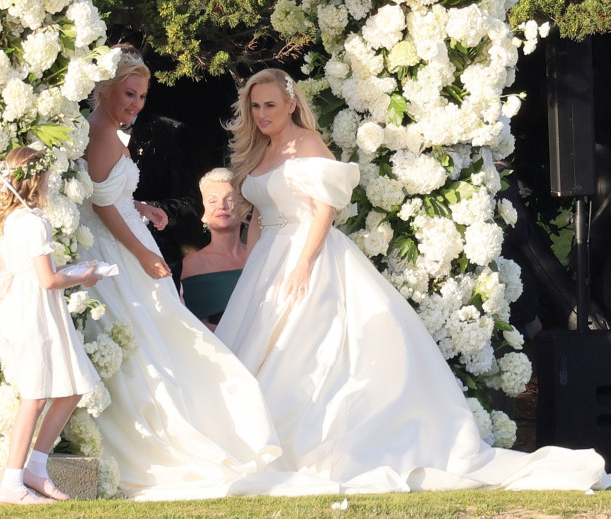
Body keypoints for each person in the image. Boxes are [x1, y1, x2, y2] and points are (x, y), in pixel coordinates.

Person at [214, 68, 610, 493]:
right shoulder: (259, 155)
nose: (261, 114)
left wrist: (303, 264)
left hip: (305, 253)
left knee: (308, 347)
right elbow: (256, 217)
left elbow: (324, 208)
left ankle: (312, 445)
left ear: (291, 103)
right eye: (255, 107)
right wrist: (250, 270)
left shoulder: (308, 144)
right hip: (267, 264)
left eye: (269, 105)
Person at [77, 44, 281, 500]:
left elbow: (110, 193)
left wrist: (142, 206)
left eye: (142, 97)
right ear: (106, 89)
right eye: (129, 94)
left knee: (163, 340)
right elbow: (102, 204)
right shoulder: (101, 131)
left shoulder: (106, 129)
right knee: (152, 342)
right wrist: (142, 253)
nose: (135, 104)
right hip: (120, 255)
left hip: (130, 240)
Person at [0, 146, 104, 505]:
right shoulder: (32, 222)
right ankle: (11, 482)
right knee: (35, 396)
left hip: (30, 308)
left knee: (70, 388)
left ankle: (36, 467)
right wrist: (83, 277)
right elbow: (47, 280)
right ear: (36, 178)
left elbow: (23, 272)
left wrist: (64, 274)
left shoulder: (13, 220)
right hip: (34, 312)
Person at [126, 109, 206, 286]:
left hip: (156, 261)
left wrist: (146, 209)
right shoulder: (82, 129)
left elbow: (191, 204)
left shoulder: (170, 132)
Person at [181, 168, 246, 330]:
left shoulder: (260, 255)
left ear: (244, 209)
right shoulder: (192, 264)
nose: (222, 206)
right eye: (212, 201)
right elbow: (194, 325)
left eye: (230, 199)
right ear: (203, 213)